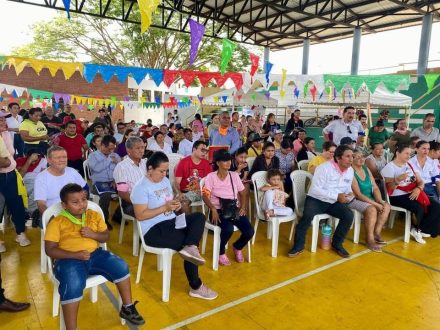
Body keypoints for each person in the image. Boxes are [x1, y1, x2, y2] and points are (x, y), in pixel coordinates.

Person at [44, 184, 145, 329]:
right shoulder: (57, 222)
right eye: (75, 202)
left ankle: (127, 308)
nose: (82, 204)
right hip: (68, 260)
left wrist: (94, 235)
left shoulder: (93, 215)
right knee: (72, 284)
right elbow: (50, 250)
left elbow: (105, 237)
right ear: (64, 205)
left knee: (121, 266)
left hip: (96, 255)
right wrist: (75, 255)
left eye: (84, 199)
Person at [131, 151, 217, 299]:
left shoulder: (164, 181)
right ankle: (196, 286)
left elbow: (167, 201)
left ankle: (191, 247)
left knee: (198, 217)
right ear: (150, 169)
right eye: (161, 171)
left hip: (170, 221)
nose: (165, 174)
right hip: (153, 230)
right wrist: (165, 208)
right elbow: (140, 215)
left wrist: (176, 203)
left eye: (166, 171)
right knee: (186, 241)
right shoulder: (140, 188)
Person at [288, 145, 356, 258]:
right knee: (307, 216)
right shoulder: (324, 168)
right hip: (316, 199)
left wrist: (349, 194)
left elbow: (347, 188)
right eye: (348, 156)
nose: (351, 159)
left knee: (348, 215)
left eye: (352, 156)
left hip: (334, 202)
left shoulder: (350, 171)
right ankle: (298, 246)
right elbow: (315, 190)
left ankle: (337, 244)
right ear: (338, 158)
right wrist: (336, 196)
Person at [202, 150, 254, 266]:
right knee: (228, 229)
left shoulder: (234, 175)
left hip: (233, 208)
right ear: (218, 163)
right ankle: (220, 252)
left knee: (249, 231)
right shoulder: (211, 177)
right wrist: (213, 209)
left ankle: (237, 246)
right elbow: (205, 195)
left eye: (229, 160)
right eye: (225, 161)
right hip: (217, 210)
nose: (228, 163)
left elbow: (242, 193)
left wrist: (243, 207)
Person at [381, 143, 440, 243]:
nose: (409, 156)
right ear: (398, 153)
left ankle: (422, 229)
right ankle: (418, 229)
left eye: (410, 154)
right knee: (419, 208)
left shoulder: (409, 165)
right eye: (406, 153)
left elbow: (420, 182)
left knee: (436, 206)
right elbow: (389, 188)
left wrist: (418, 189)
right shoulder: (390, 167)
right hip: (397, 196)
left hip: (413, 192)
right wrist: (397, 180)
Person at [0, 116, 31, 252]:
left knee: (16, 204)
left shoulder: (6, 134)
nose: (3, 123)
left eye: (3, 120)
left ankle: (20, 233)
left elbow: (9, 157)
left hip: (11, 175)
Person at [351, 149, 391, 252]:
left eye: (362, 156)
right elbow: (358, 195)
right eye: (358, 157)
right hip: (355, 199)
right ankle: (369, 239)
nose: (361, 159)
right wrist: (375, 204)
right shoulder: (350, 171)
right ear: (352, 159)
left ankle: (376, 233)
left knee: (386, 205)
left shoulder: (366, 169)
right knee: (372, 209)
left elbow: (375, 187)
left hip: (369, 198)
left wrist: (379, 200)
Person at [34, 146, 87, 216]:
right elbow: (41, 204)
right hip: (55, 214)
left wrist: (82, 205)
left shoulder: (72, 172)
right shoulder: (41, 178)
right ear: (49, 160)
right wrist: (51, 218)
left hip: (76, 212)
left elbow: (85, 189)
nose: (62, 160)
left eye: (64, 157)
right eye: (58, 158)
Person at [88, 135, 121, 229]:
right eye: (109, 148)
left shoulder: (115, 155)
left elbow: (120, 169)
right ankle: (104, 220)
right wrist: (109, 160)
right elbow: (97, 169)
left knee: (128, 190)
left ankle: (118, 216)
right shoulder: (93, 156)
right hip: (99, 183)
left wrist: (115, 180)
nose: (111, 151)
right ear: (102, 145)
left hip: (113, 182)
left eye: (112, 149)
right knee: (106, 195)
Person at [113, 137, 147, 218]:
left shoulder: (145, 163)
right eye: (138, 148)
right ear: (128, 150)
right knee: (153, 213)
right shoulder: (122, 167)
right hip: (131, 202)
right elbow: (122, 193)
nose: (141, 150)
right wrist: (140, 202)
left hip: (148, 198)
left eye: (142, 147)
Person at [174, 141, 212, 208]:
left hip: (200, 192)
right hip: (184, 192)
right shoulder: (183, 162)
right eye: (202, 150)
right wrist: (180, 193)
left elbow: (209, 182)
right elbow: (176, 182)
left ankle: (188, 218)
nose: (204, 152)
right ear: (194, 149)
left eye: (206, 151)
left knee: (183, 203)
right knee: (176, 203)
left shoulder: (206, 163)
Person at [16, 150, 48, 225]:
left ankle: (31, 213)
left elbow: (43, 175)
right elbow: (20, 176)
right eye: (32, 159)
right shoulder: (20, 161)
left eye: (36, 160)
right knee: (35, 189)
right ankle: (31, 212)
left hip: (37, 182)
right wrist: (29, 161)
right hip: (23, 182)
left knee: (38, 188)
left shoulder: (42, 161)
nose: (34, 162)